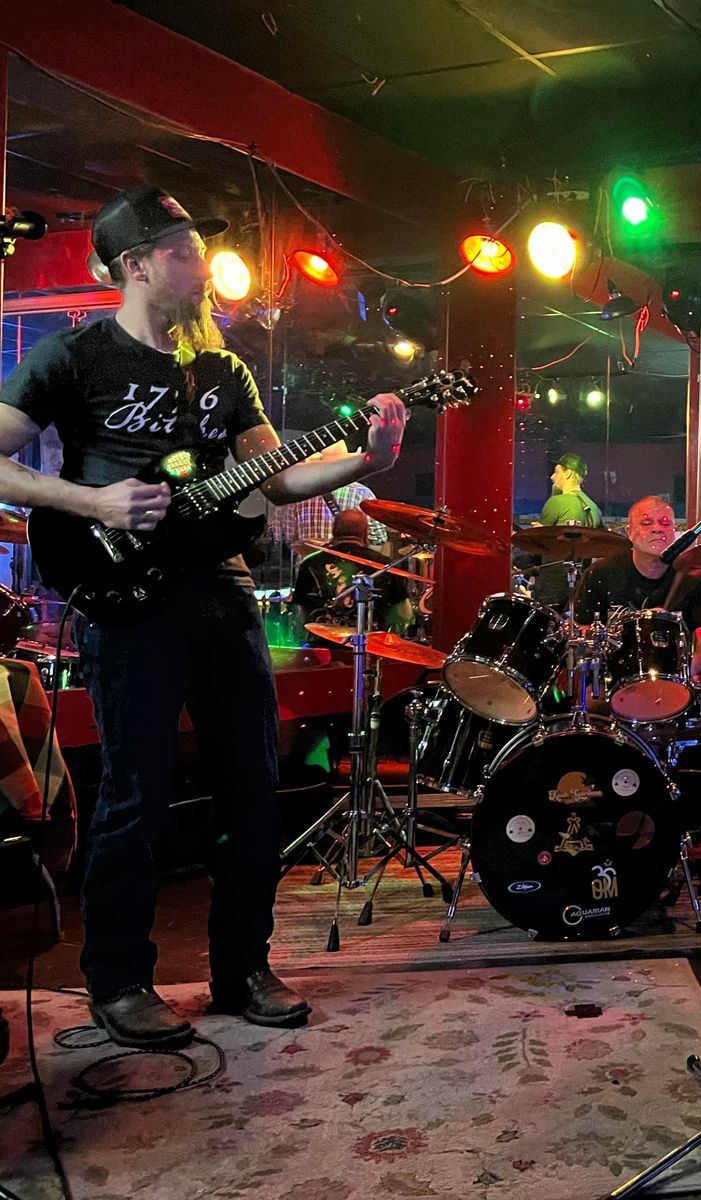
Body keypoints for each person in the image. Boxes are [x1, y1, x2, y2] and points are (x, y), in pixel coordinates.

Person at [0, 185, 408, 1048]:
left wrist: (367, 460)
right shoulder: (75, 356)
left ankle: (243, 967)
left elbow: (278, 476)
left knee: (254, 784)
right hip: (122, 599)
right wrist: (92, 502)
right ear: (137, 264)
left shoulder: (223, 371)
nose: (202, 265)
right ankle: (118, 981)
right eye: (184, 250)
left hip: (221, 592)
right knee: (136, 792)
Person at [571, 495, 701, 673]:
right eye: (646, 523)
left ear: (674, 531)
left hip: (673, 679)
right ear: (629, 532)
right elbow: (580, 630)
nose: (657, 529)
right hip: (613, 678)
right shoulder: (601, 572)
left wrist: (686, 673)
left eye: (665, 523)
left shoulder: (695, 575)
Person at [292, 508, 415, 636]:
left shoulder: (310, 563)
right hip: (371, 643)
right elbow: (404, 614)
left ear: (334, 531)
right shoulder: (384, 565)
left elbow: (300, 612)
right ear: (365, 533)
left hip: (321, 643)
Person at [530, 452, 602, 608]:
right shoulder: (595, 508)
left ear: (568, 473)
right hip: (580, 584)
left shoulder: (557, 502)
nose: (552, 477)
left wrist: (536, 530)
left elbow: (537, 542)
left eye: (556, 472)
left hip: (553, 584)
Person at [270, 480, 390, 558]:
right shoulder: (362, 493)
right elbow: (378, 539)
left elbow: (284, 537)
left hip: (309, 569)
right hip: (350, 569)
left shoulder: (295, 494)